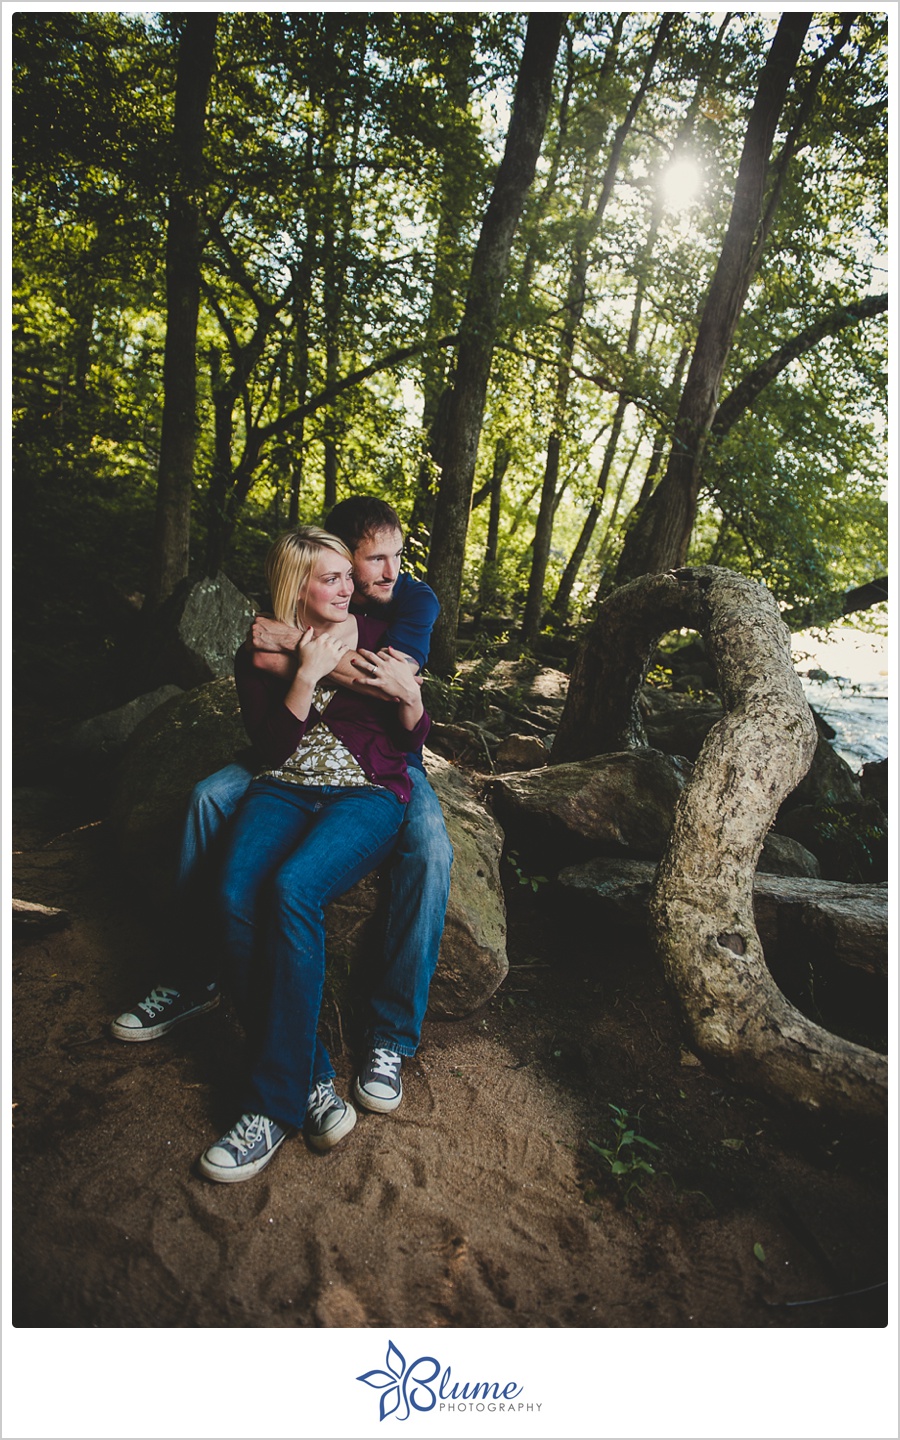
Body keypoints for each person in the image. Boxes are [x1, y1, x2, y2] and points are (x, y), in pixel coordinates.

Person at [112, 497, 453, 1123]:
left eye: (394, 558)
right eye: (370, 559)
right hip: (292, 758)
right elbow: (264, 680)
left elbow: (396, 692)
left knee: (430, 844)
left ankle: (389, 1037)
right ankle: (195, 975)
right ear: (338, 557)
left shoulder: (411, 601)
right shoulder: (322, 590)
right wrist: (296, 658)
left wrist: (295, 647)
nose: (387, 572)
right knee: (208, 797)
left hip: (382, 760)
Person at [197, 525, 432, 1182]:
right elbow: (272, 749)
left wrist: (412, 703)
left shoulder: (379, 635)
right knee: (234, 890)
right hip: (286, 786)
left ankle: (268, 1109)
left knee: (293, 888)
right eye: (330, 577)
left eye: (346, 577)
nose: (349, 586)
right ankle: (312, 1080)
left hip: (366, 792)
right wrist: (306, 674)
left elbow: (412, 739)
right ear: (296, 586)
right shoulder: (259, 655)